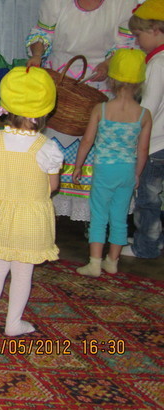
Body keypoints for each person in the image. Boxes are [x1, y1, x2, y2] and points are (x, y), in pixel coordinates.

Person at [26, 0, 137, 223]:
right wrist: (37, 55)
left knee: (95, 141)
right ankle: (47, 207)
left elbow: (126, 42)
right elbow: (42, 33)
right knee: (53, 138)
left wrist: (108, 64)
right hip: (61, 80)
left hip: (100, 82)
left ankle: (92, 215)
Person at [0, 67, 63, 337]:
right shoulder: (47, 147)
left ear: (5, 106)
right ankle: (13, 323)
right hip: (31, 219)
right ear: (45, 110)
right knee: (23, 272)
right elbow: (53, 186)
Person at [73, 49, 152, 277]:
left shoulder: (101, 109)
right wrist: (137, 174)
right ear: (140, 82)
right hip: (127, 170)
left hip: (104, 170)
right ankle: (112, 261)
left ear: (112, 80)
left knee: (99, 215)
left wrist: (78, 166)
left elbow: (87, 141)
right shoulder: (144, 114)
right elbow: (143, 150)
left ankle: (94, 263)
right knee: (119, 217)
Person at [121, 0, 164, 259]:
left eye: (138, 35)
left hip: (155, 143)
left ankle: (145, 247)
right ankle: (154, 238)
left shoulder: (157, 63)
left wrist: (133, 137)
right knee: (157, 196)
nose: (136, 41)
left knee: (147, 198)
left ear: (156, 30)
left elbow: (147, 109)